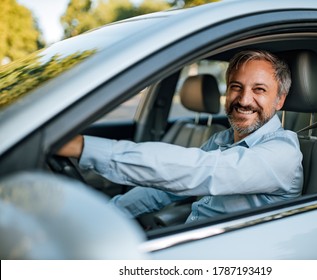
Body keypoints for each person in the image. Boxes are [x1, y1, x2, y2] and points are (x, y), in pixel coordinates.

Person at [58, 50, 303, 224]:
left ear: (279, 99)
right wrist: (108, 214)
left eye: (259, 89)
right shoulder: (220, 140)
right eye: (236, 87)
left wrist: (83, 147)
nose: (244, 99)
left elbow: (197, 170)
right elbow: (161, 191)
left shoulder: (283, 153)